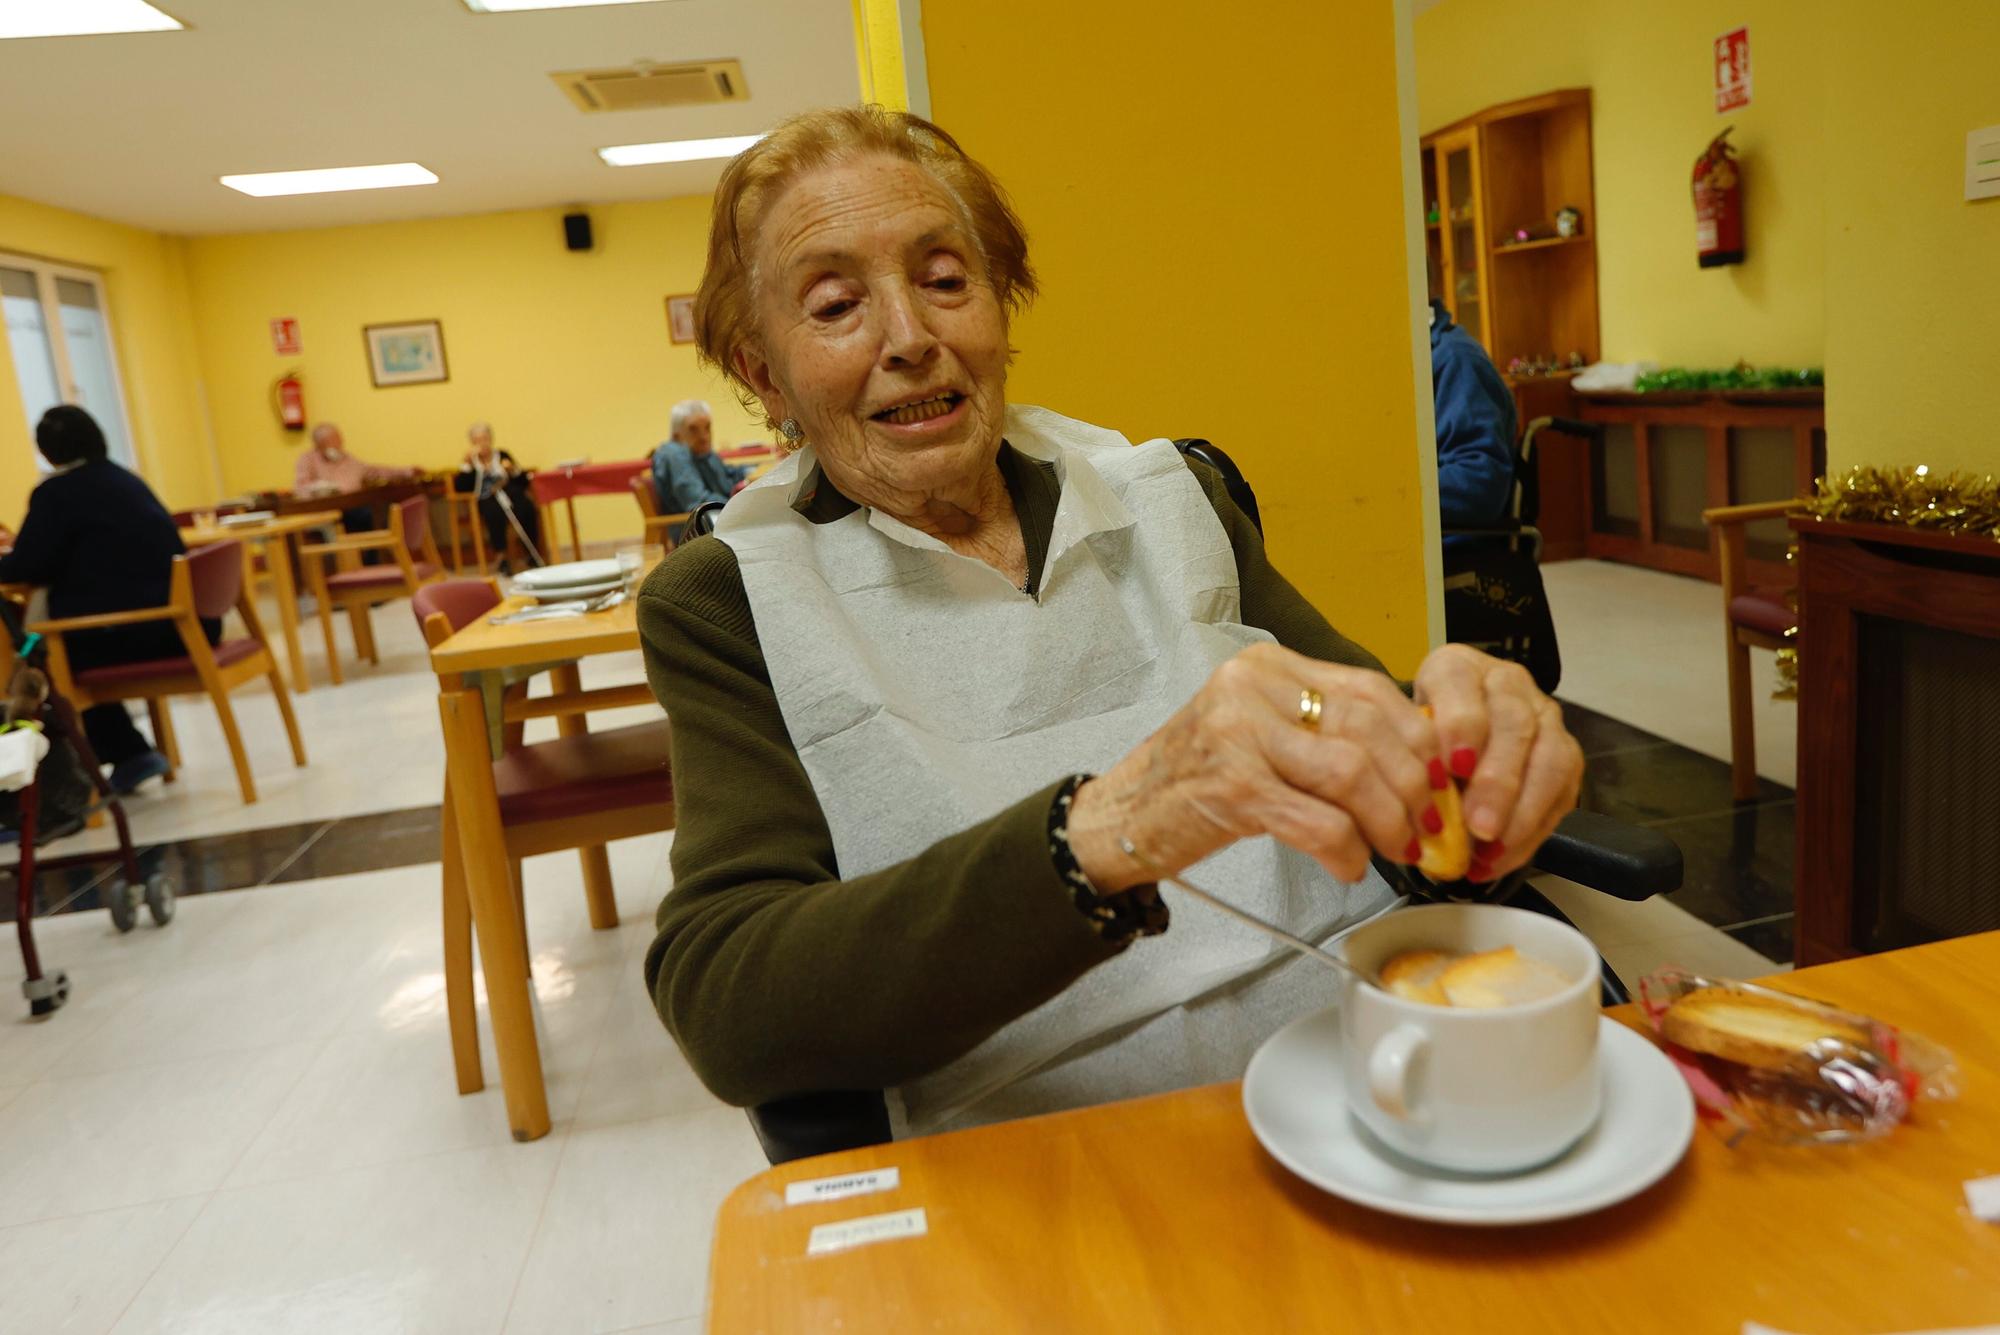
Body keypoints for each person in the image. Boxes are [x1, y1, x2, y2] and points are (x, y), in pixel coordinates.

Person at [637, 107, 1583, 1139]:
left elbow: (1377, 752)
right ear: (761, 373)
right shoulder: (730, 599)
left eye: (945, 279)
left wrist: (1471, 756)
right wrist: (1110, 827)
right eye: (834, 305)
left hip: (1372, 1078)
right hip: (1040, 1146)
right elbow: (728, 999)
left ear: (999, 305)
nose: (910, 338)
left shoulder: (1173, 492)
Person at [0, 406, 216, 793]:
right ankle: (128, 751)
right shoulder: (125, 480)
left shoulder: (57, 492)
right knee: (59, 645)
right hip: (181, 623)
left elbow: (27, 565)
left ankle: (58, 786)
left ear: (47, 451)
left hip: (136, 632)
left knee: (38, 658)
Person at [1428, 298, 1517, 539]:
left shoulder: (1455, 360)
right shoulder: (1408, 358)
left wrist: (1393, 496)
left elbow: (1479, 481)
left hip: (1449, 548)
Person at [294, 422, 420, 535]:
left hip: (353, 507)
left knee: (373, 513)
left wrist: (406, 471)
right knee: (362, 516)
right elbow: (302, 488)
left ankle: (370, 559)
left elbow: (374, 471)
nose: (339, 444)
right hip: (324, 513)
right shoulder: (307, 460)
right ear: (319, 444)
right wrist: (324, 488)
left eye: (339, 439)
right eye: (332, 440)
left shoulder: (347, 459)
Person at [452, 422, 542, 572]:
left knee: (526, 507)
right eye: (478, 440)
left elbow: (523, 481)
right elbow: (460, 488)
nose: (482, 443)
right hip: (486, 497)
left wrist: (512, 469)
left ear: (491, 439)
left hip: (509, 493)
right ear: (472, 443)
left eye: (485, 438)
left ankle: (531, 553)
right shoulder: (471, 462)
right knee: (493, 513)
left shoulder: (502, 456)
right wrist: (467, 466)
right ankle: (502, 558)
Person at [650, 399, 747, 534]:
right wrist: (741, 506)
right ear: (676, 436)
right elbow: (698, 502)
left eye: (707, 427)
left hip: (715, 521)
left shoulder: (701, 452)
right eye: (693, 430)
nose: (704, 436)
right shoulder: (675, 455)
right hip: (693, 530)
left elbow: (730, 474)